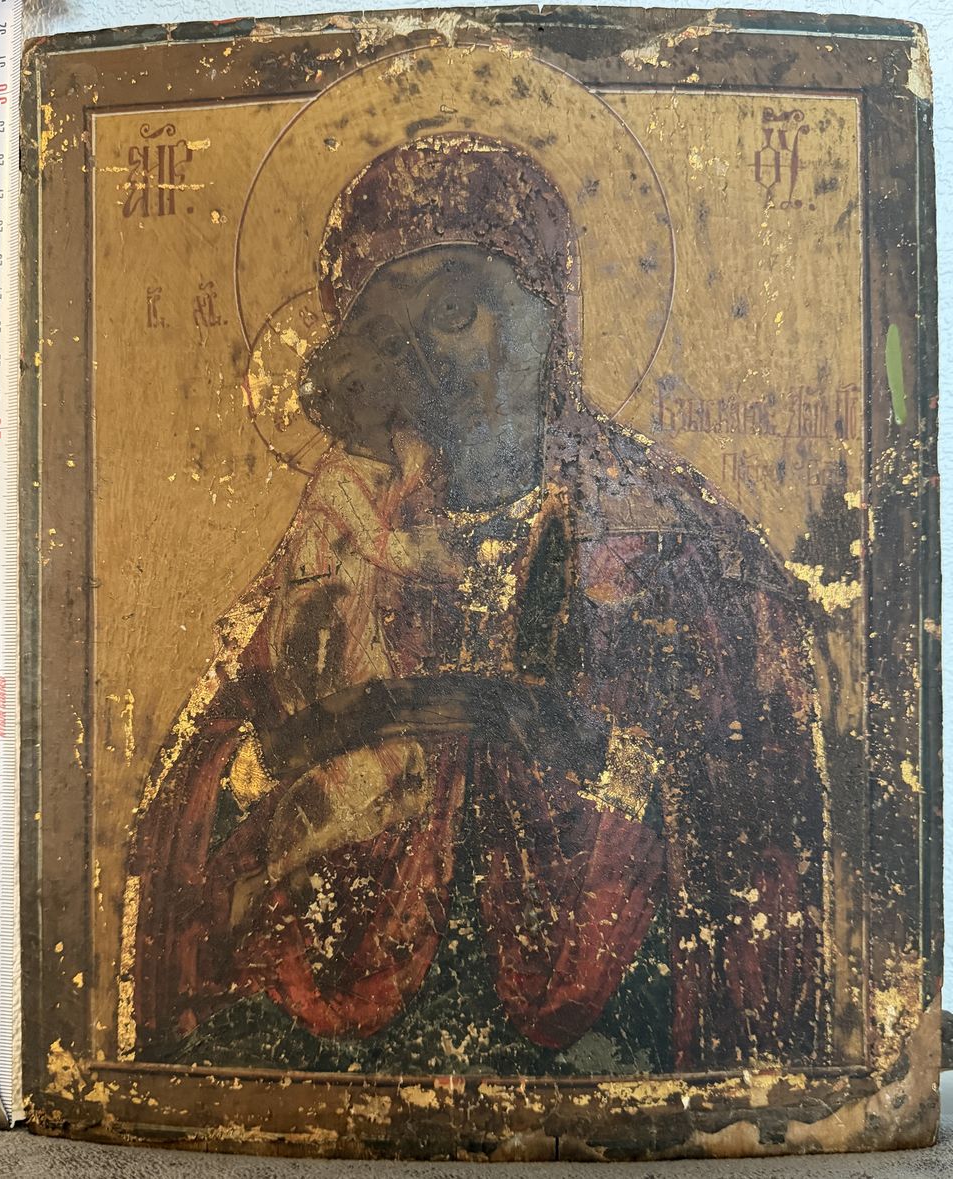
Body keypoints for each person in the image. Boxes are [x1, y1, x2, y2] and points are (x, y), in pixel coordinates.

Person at [128, 133, 829, 1074]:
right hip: (362, 1000)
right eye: (388, 329)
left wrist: (600, 765)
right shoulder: (341, 536)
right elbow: (204, 782)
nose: (425, 356)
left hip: (605, 1001)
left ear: (550, 316)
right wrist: (274, 767)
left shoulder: (666, 545)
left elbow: (749, 801)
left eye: (456, 309)